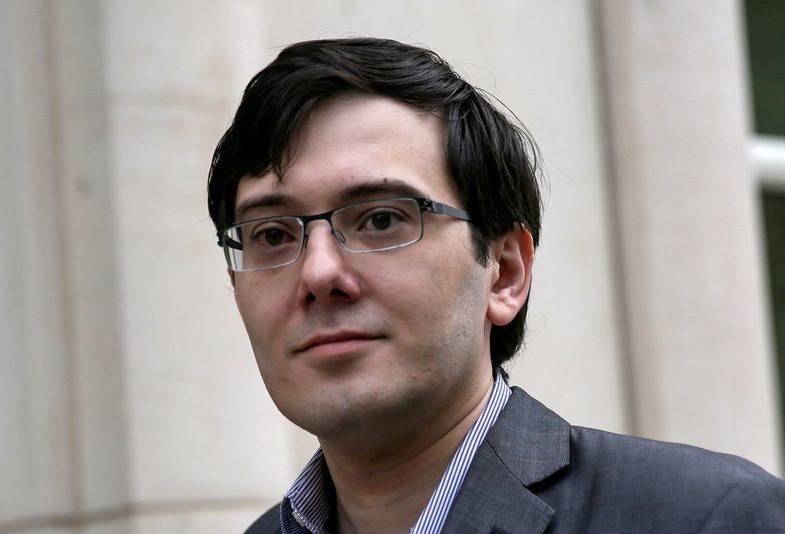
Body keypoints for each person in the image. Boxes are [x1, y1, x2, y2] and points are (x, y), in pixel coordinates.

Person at [207, 37, 785, 534]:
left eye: (382, 219)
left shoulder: (702, 516)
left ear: (506, 273)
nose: (318, 273)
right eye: (273, 234)